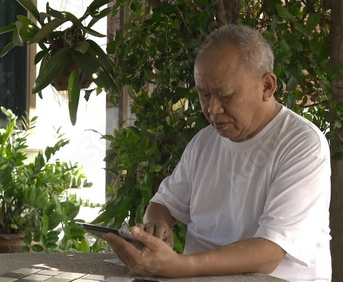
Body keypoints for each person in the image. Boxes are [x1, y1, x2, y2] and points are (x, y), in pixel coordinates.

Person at [104, 24, 332, 281]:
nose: (212, 109)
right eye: (204, 94)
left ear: (267, 86)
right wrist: (158, 225)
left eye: (225, 95)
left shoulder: (301, 144)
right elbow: (163, 204)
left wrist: (180, 266)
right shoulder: (204, 142)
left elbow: (269, 252)